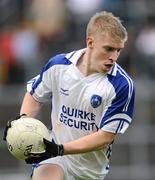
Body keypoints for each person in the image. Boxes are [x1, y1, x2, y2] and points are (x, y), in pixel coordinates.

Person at [4, 11, 135, 180]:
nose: (114, 57)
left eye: (118, 50)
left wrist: (61, 148)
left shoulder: (122, 85)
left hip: (89, 172)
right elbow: (35, 96)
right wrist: (21, 123)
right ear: (90, 42)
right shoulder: (59, 65)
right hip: (55, 158)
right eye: (108, 49)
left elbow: (105, 137)